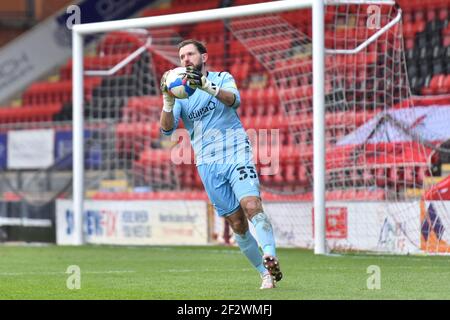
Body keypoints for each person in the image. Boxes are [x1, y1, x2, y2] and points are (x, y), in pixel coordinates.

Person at [159, 39, 282, 289]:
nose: (185, 60)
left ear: (203, 57)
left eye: (190, 54)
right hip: (207, 163)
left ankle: (269, 254)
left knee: (251, 204)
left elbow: (233, 101)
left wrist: (206, 86)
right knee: (236, 223)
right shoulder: (179, 92)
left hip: (236, 152)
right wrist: (167, 101)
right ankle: (264, 273)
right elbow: (166, 128)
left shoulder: (222, 77)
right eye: (181, 56)